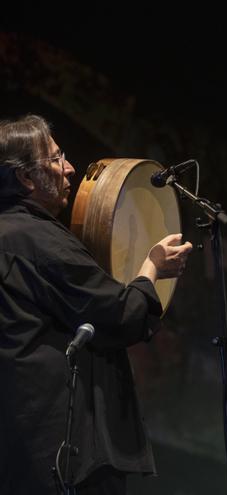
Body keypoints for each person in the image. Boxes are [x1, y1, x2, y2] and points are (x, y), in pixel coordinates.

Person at [0, 114, 193, 494]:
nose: (69, 168)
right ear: (25, 178)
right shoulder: (39, 240)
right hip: (64, 454)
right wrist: (151, 267)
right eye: (55, 160)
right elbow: (119, 316)